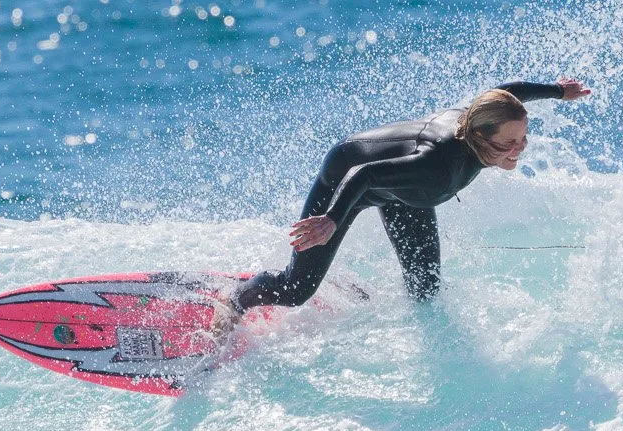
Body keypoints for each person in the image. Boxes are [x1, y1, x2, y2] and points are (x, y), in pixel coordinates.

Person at [232, 79, 591, 316]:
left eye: (523, 139)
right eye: (509, 143)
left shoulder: (482, 120)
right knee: (295, 291)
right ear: (480, 135)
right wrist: (332, 219)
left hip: (403, 193)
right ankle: (235, 302)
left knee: (426, 288)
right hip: (345, 179)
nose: (519, 149)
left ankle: (331, 278)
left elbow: (506, 94)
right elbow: (364, 174)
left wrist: (558, 91)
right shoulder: (436, 167)